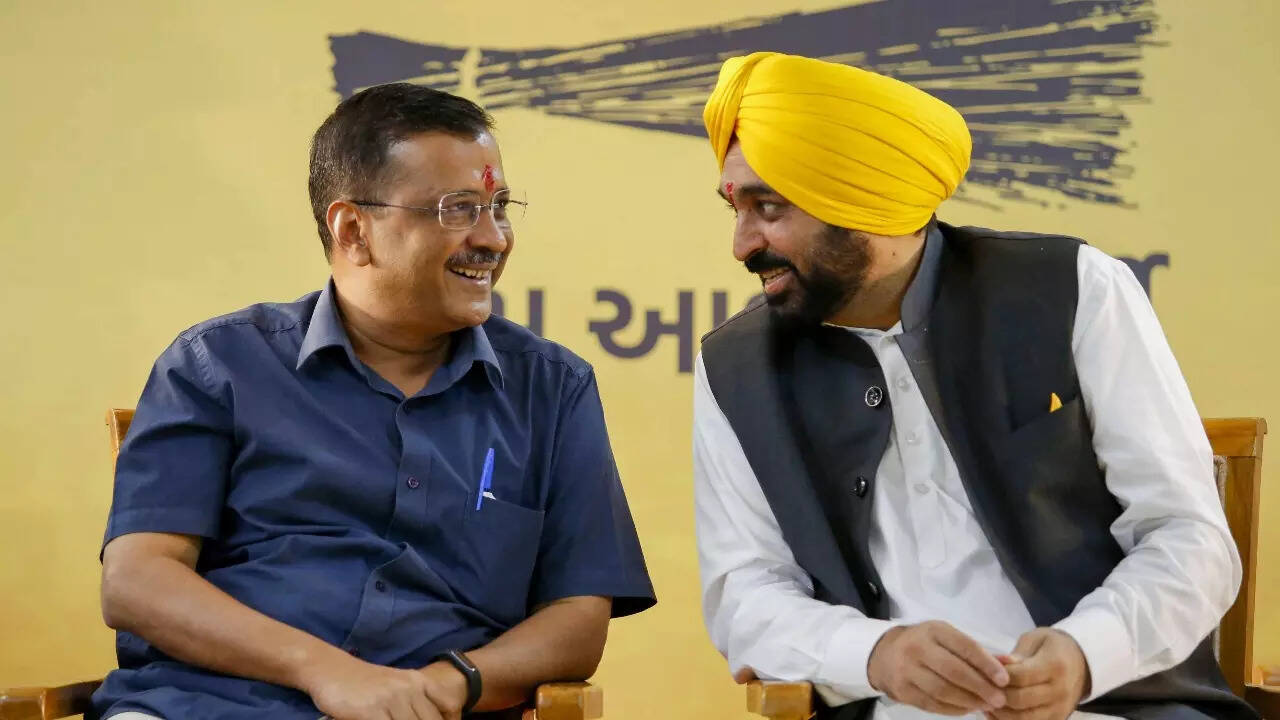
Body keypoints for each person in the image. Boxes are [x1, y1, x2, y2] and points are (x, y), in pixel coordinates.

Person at [693, 52, 1254, 720]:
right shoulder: (736, 367)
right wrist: (876, 653)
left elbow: (1188, 538)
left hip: (1112, 707)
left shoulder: (1074, 289)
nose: (741, 244)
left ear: (863, 202)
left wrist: (1084, 653)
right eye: (735, 207)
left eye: (768, 207)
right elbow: (746, 592)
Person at [93, 83, 654, 720]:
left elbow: (578, 619)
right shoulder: (218, 365)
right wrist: (325, 672)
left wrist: (446, 686)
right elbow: (137, 581)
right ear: (353, 229)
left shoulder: (550, 389)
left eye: (499, 207)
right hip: (203, 706)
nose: (494, 239)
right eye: (458, 209)